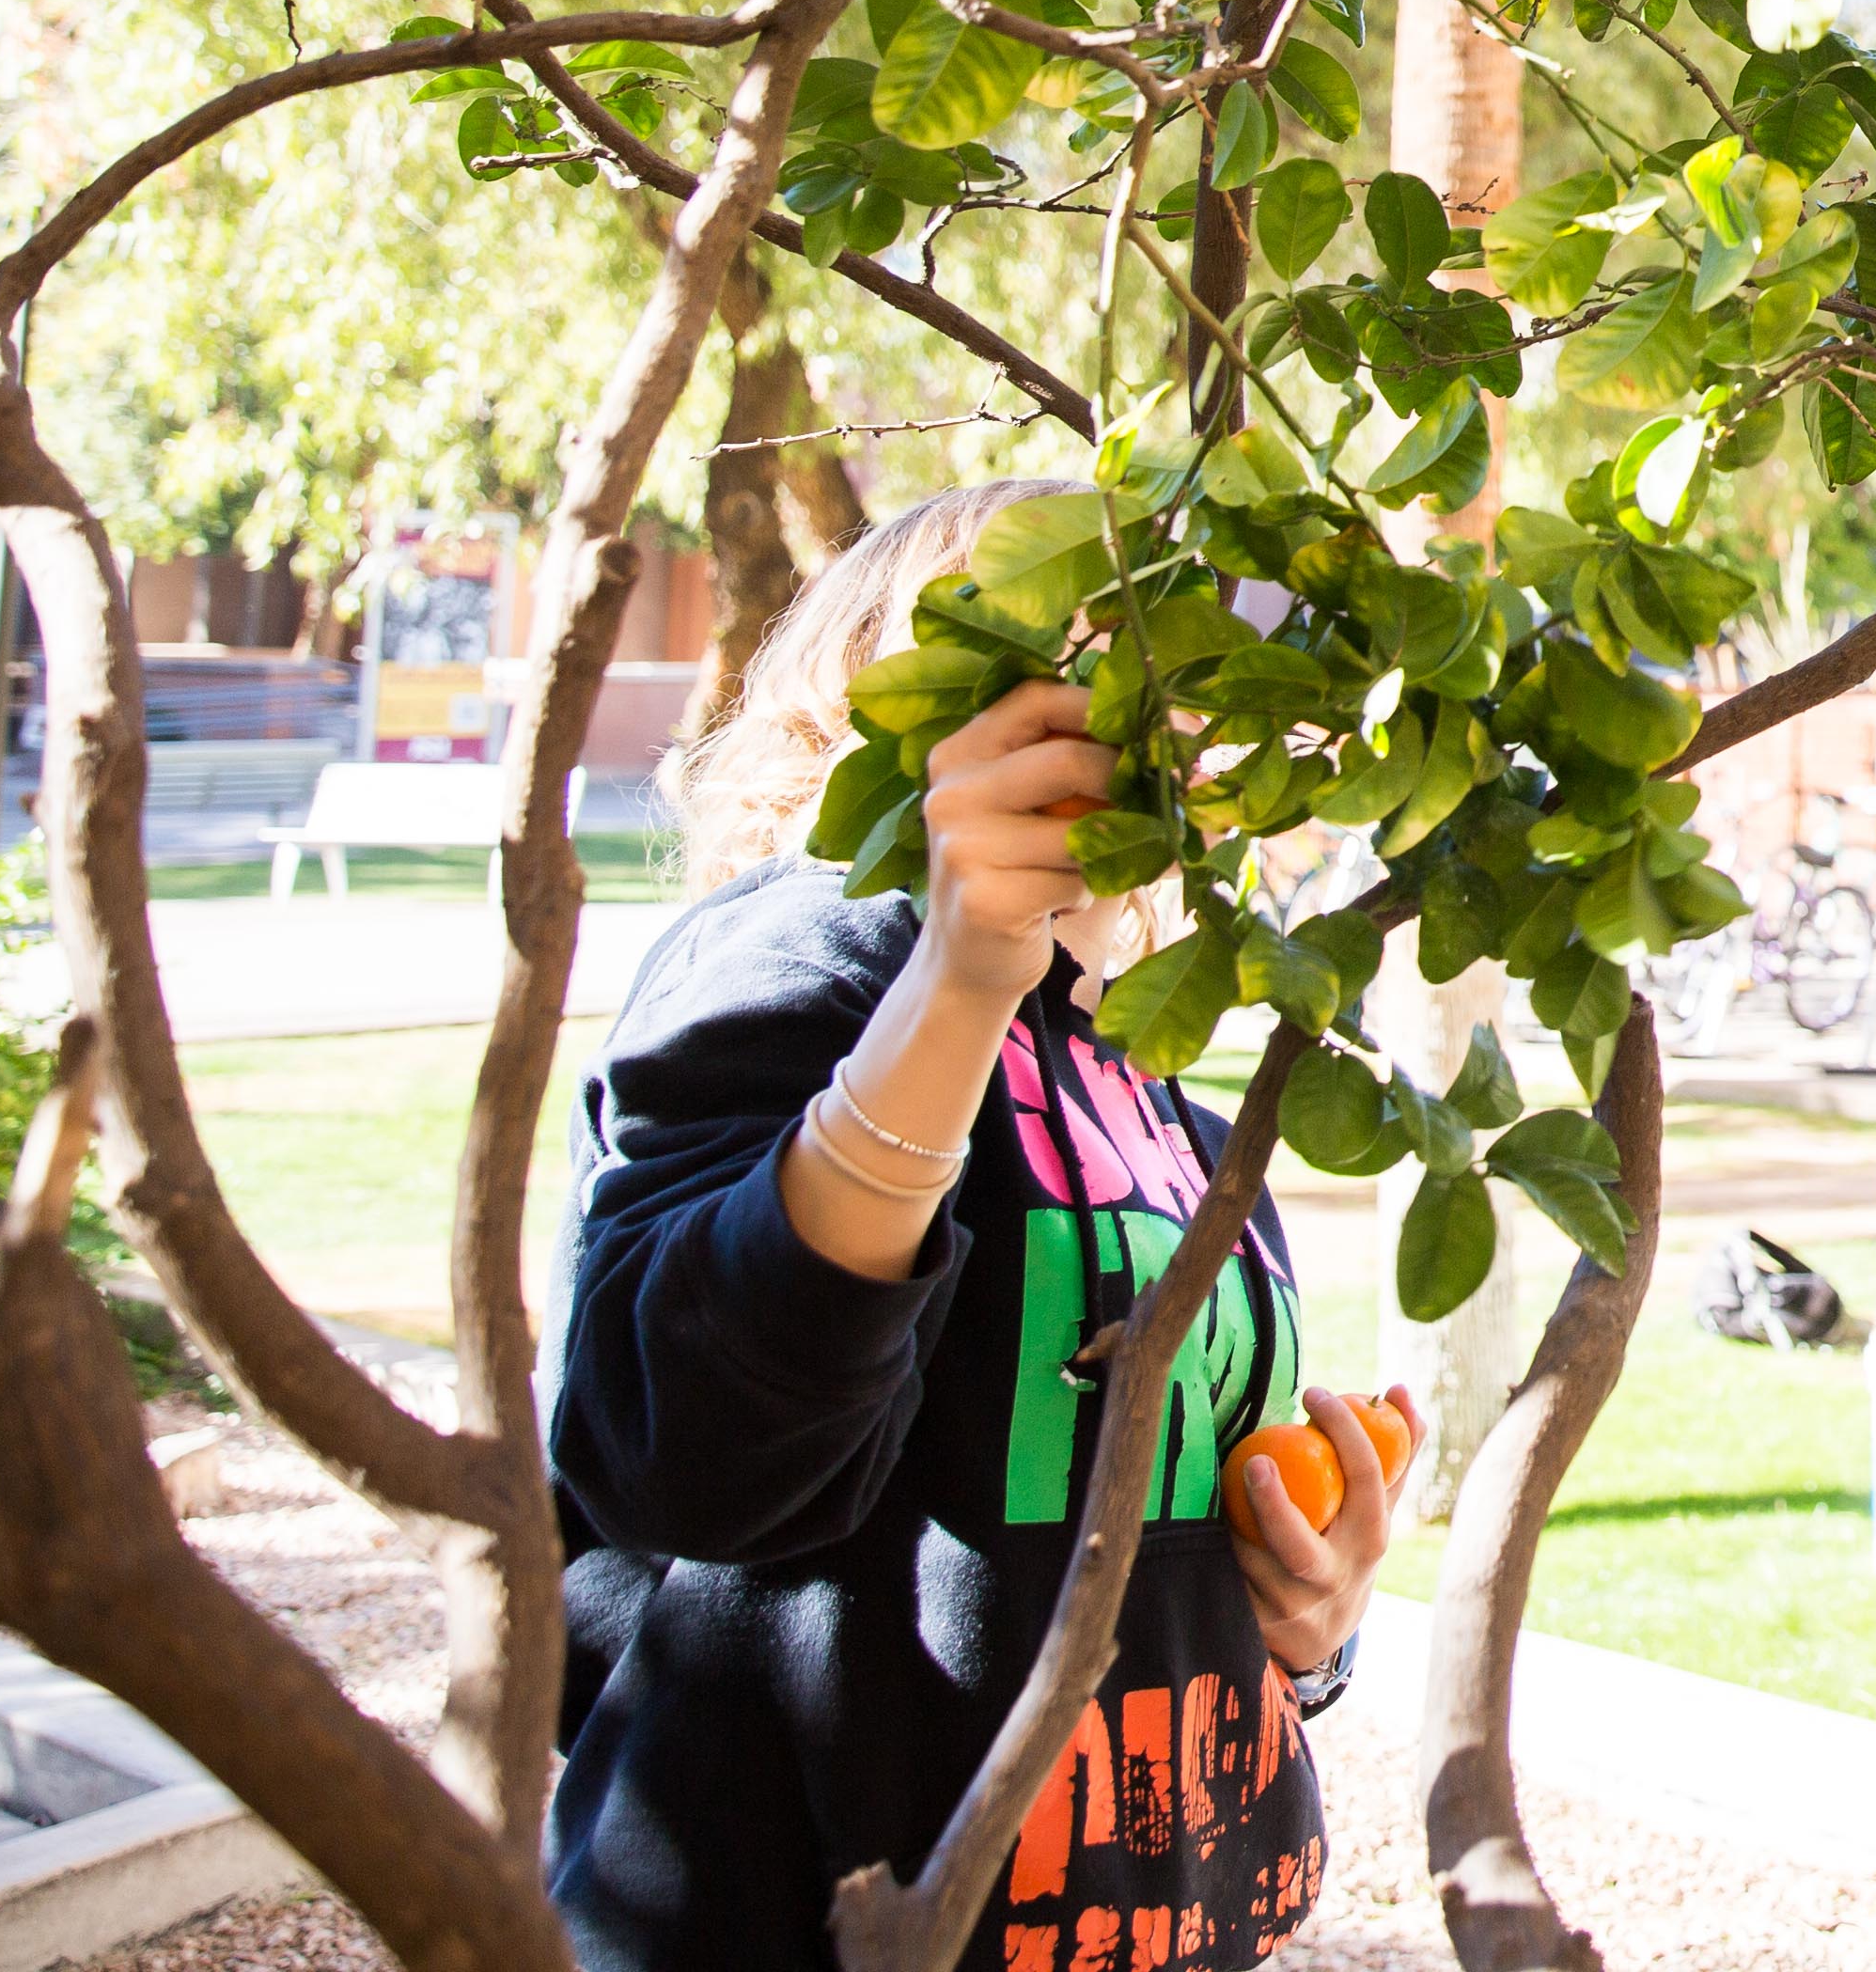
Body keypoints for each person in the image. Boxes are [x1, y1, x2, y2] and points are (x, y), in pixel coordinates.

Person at [547, 482, 1401, 1972]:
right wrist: (955, 980)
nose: (1162, 698)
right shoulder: (814, 945)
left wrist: (1306, 1628)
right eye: (1095, 642)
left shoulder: (1151, 1078)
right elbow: (681, 1454)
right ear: (899, 695)